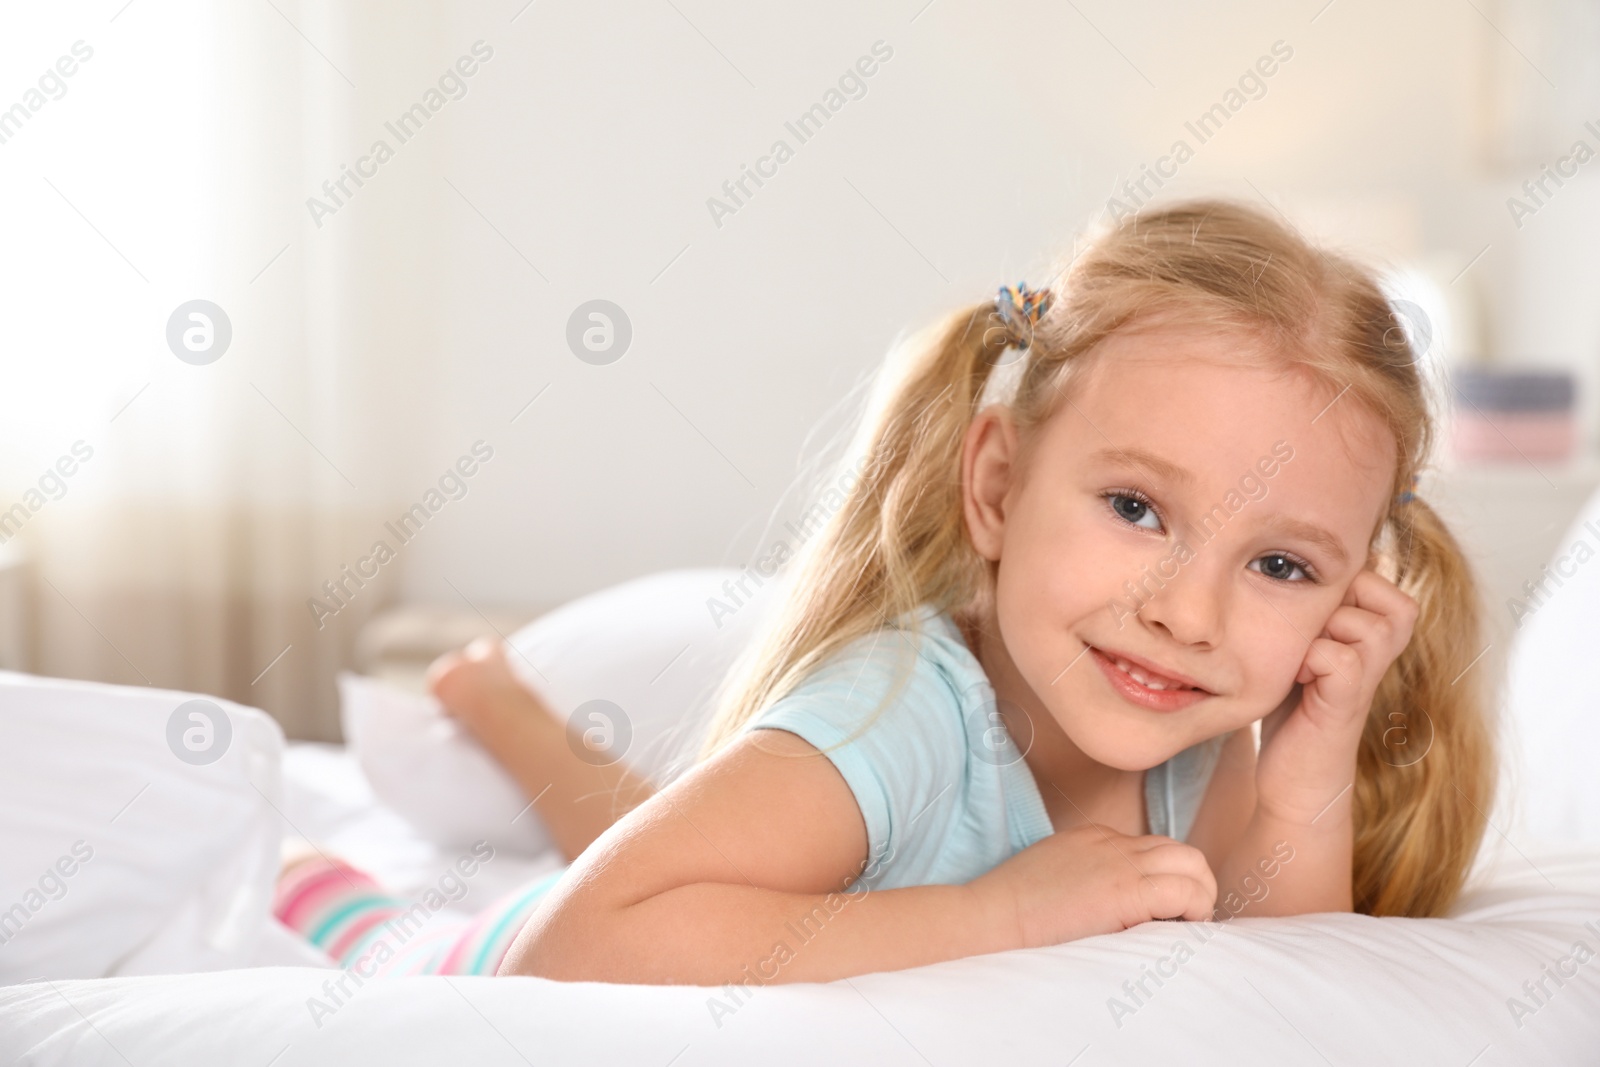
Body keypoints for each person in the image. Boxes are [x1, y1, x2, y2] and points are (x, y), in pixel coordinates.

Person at [277, 198, 1496, 984]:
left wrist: (1305, 774)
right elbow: (575, 943)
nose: (1190, 612)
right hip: (463, 958)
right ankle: (385, 794)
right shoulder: (904, 705)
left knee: (685, 833)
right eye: (1135, 509)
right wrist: (995, 915)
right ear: (996, 487)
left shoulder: (1205, 738)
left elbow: (1298, 996)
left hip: (725, 891)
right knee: (374, 927)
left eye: (1279, 566)